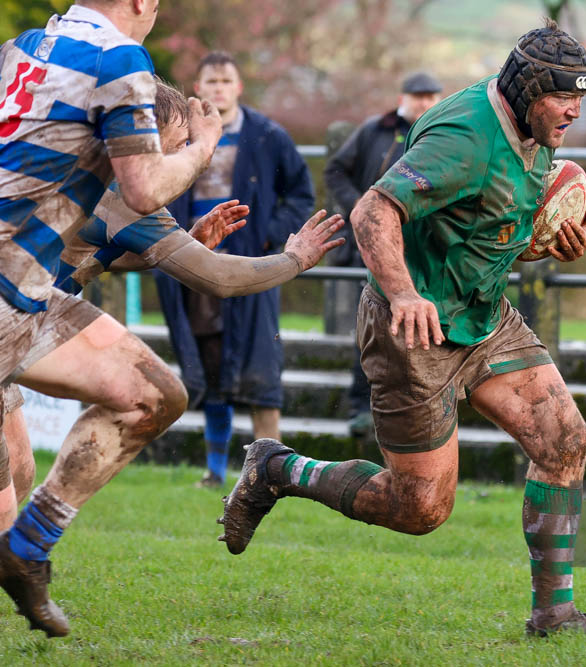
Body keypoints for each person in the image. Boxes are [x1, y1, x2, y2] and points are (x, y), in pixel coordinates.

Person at [217, 20, 586, 637]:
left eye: (582, 95)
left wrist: (544, 243)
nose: (574, 109)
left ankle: (555, 614)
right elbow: (373, 210)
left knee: (564, 441)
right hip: (412, 332)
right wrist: (403, 292)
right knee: (420, 509)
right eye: (562, 95)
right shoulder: (464, 136)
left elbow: (485, 226)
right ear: (525, 88)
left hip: (485, 317)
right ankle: (277, 469)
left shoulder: (536, 129)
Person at [0, 79, 345, 531]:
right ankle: (35, 541)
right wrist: (294, 259)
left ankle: (28, 546)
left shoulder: (92, 165)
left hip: (18, 318)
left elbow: (92, 250)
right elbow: (219, 278)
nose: (189, 160)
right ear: (149, 135)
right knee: (150, 398)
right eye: (182, 144)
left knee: (21, 472)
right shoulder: (129, 190)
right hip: (14, 317)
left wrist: (187, 242)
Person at [0, 0, 223, 637]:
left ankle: (25, 551)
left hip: (26, 291)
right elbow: (144, 188)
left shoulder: (23, 48)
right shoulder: (118, 57)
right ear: (141, 3)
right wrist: (202, 147)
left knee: (153, 395)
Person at [154, 51, 316, 489]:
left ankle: (274, 473)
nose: (219, 88)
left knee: (260, 368)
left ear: (238, 88)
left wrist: (269, 235)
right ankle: (214, 470)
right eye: (211, 81)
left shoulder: (267, 137)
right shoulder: (178, 135)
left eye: (227, 80)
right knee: (210, 369)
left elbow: (301, 194)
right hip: (191, 259)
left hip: (249, 265)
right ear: (198, 89)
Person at [323, 71, 443, 436]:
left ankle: (415, 412)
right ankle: (361, 407)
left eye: (430, 96)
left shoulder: (441, 135)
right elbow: (336, 170)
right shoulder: (374, 131)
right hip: (375, 247)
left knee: (417, 331)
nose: (423, 103)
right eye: (417, 95)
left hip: (421, 248)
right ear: (403, 97)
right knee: (374, 329)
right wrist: (358, 207)